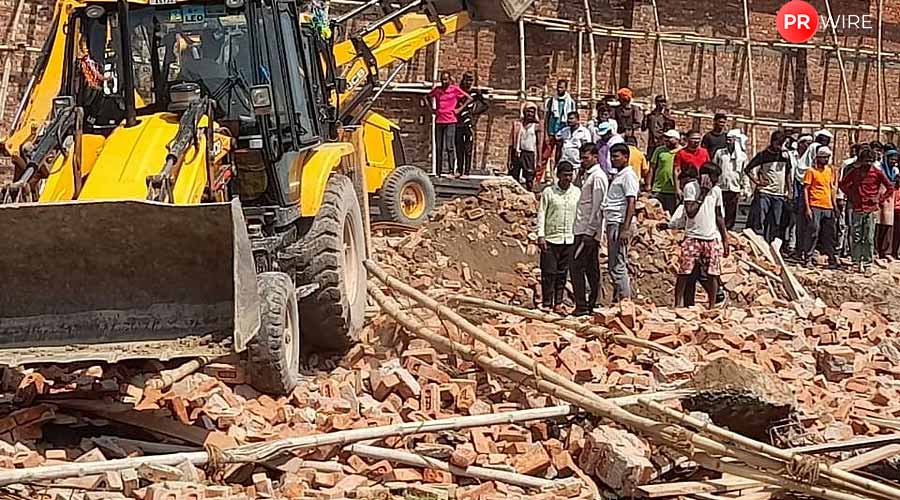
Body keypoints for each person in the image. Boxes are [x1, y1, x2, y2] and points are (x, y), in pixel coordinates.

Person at [675, 162, 729, 309]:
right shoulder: (691, 188)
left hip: (710, 236)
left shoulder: (716, 191)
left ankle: (712, 305)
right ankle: (677, 305)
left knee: (712, 272)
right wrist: (703, 193)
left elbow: (719, 215)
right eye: (713, 178)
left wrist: (725, 238)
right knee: (685, 272)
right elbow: (691, 212)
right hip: (692, 236)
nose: (715, 181)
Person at [840, 147, 894, 273]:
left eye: (870, 161)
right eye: (866, 161)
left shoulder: (877, 172)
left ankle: (867, 263)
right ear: (861, 160)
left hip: (871, 209)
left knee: (869, 238)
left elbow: (889, 187)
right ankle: (855, 261)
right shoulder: (855, 172)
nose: (868, 164)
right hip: (857, 208)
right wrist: (851, 195)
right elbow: (843, 184)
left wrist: (879, 199)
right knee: (856, 236)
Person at [537, 161, 581, 313]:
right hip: (551, 238)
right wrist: (540, 235)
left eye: (570, 175)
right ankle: (547, 303)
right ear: (558, 175)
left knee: (562, 273)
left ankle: (558, 303)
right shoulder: (549, 192)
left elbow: (580, 215)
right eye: (565, 175)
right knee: (549, 272)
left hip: (569, 238)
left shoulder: (576, 193)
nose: (568, 178)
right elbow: (541, 213)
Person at [571, 144, 608, 316]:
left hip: (588, 230)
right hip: (581, 227)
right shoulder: (586, 175)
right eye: (581, 158)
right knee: (590, 267)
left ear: (595, 156)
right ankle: (592, 303)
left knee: (577, 266)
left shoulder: (598, 177)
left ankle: (583, 306)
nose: (583, 161)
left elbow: (598, 206)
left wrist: (591, 231)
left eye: (586, 158)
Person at [603, 144, 640, 302]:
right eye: (611, 156)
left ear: (626, 157)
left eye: (616, 156)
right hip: (614, 222)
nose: (613, 159)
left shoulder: (628, 176)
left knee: (617, 265)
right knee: (616, 263)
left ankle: (625, 303)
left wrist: (625, 229)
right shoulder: (619, 175)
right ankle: (619, 300)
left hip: (620, 223)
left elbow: (631, 202)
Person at [746, 130, 791, 242]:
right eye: (778, 144)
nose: (780, 147)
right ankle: (758, 242)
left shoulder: (784, 156)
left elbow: (788, 173)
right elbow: (747, 169)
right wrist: (756, 182)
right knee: (760, 219)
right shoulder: (763, 155)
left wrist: (790, 190)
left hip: (779, 194)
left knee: (775, 221)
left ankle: (770, 243)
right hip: (765, 192)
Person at [429, 71, 473, 177]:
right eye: (442, 79)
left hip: (450, 121)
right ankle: (438, 172)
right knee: (439, 147)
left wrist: (459, 109)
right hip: (439, 121)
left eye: (446, 80)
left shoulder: (454, 89)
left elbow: (469, 98)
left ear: (449, 80)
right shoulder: (437, 90)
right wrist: (432, 109)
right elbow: (427, 97)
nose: (444, 82)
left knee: (450, 146)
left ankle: (451, 170)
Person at [801, 146, 839, 269]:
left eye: (827, 157)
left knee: (829, 233)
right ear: (818, 158)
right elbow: (806, 189)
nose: (826, 160)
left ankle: (831, 257)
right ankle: (808, 257)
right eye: (824, 157)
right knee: (813, 231)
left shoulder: (830, 171)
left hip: (827, 206)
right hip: (815, 205)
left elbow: (831, 189)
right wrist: (807, 207)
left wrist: (834, 206)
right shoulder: (811, 171)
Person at [541, 80, 578, 183]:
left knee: (559, 155)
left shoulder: (570, 102)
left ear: (566, 88)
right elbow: (547, 117)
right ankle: (539, 178)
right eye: (558, 87)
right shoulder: (552, 101)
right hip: (552, 131)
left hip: (563, 132)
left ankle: (555, 176)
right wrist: (546, 133)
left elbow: (572, 116)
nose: (559, 89)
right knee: (545, 155)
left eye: (561, 87)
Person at [713, 129, 748, 229]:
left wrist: (746, 188)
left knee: (731, 213)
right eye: (727, 140)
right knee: (718, 210)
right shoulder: (720, 153)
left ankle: (728, 232)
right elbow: (714, 168)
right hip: (720, 187)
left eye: (730, 140)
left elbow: (744, 173)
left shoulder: (742, 156)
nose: (728, 142)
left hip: (734, 188)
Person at [455, 72, 489, 177]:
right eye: (467, 80)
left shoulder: (474, 94)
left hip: (468, 124)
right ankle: (459, 170)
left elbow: (485, 105)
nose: (468, 82)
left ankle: (466, 171)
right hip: (458, 123)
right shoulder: (459, 92)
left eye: (470, 80)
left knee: (468, 149)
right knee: (459, 148)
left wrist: (474, 112)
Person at [508, 103, 544, 190]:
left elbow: (539, 144)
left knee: (529, 177)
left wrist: (539, 160)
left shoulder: (536, 126)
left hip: (529, 154)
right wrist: (509, 159)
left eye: (532, 112)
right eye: (528, 111)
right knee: (514, 176)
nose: (530, 114)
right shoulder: (517, 125)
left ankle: (529, 194)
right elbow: (511, 143)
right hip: (517, 153)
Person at [651, 129, 682, 214]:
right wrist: (648, 184)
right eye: (665, 137)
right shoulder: (659, 150)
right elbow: (652, 168)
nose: (666, 140)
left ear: (677, 140)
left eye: (669, 138)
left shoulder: (682, 152)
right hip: (658, 188)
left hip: (673, 190)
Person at [876, 149, 899, 260]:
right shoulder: (879, 168)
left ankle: (886, 251)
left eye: (895, 159)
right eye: (891, 159)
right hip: (879, 196)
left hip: (890, 198)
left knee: (888, 225)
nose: (893, 161)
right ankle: (876, 250)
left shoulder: (895, 170)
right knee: (878, 224)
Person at [674, 130, 710, 196]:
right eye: (693, 138)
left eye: (698, 138)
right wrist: (677, 189)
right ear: (687, 139)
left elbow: (709, 169)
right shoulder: (681, 153)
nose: (696, 141)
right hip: (686, 185)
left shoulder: (704, 152)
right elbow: (677, 171)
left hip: (701, 186)